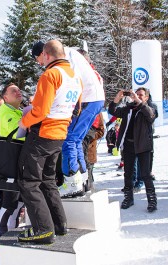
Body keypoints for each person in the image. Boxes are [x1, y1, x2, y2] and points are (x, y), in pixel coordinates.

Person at [17, 40, 82, 244]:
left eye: (40, 57)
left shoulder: (50, 75)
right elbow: (77, 107)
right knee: (48, 181)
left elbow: (41, 111)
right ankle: (59, 224)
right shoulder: (73, 76)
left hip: (43, 133)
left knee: (28, 182)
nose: (40, 61)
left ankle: (44, 230)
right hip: (59, 134)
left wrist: (24, 121)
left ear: (46, 54)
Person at [32, 40, 105, 197]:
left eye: (38, 60)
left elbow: (72, 81)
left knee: (69, 140)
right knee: (76, 141)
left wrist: (70, 107)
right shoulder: (67, 53)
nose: (41, 64)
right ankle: (83, 179)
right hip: (94, 98)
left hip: (87, 98)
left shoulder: (64, 57)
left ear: (43, 54)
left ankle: (72, 181)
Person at [108, 87, 157, 212]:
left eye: (141, 95)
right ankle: (128, 198)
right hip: (129, 146)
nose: (138, 96)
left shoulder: (149, 107)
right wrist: (117, 98)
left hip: (143, 146)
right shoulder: (128, 108)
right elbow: (113, 111)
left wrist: (139, 102)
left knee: (146, 174)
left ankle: (152, 201)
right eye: (137, 94)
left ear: (146, 97)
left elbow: (151, 116)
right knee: (128, 174)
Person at [0, 83, 24, 255]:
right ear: (5, 98)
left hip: (20, 164)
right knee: (9, 203)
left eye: (18, 89)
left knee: (18, 203)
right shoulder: (5, 112)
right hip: (11, 165)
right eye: (13, 91)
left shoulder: (18, 111)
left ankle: (10, 234)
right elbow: (18, 131)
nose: (18, 92)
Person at [81, 113, 105, 191]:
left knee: (88, 173)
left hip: (89, 150)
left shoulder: (97, 112)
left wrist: (89, 135)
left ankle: (89, 189)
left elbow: (101, 132)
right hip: (76, 150)